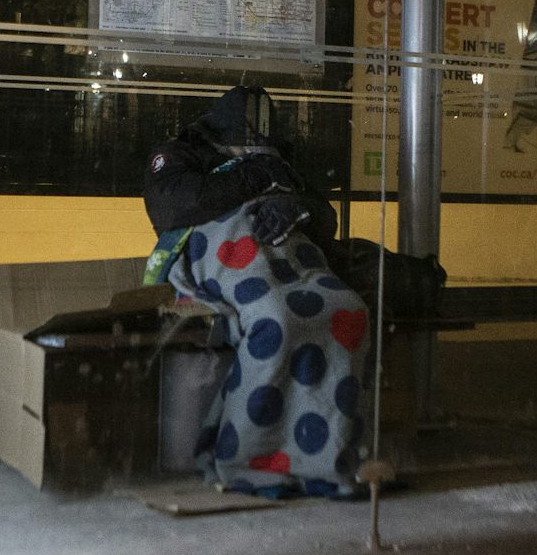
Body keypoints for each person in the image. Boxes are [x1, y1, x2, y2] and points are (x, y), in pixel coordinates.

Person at [142, 85, 369, 498]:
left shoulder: (277, 155)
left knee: (347, 310)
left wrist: (295, 205)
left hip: (292, 259)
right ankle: (248, 456)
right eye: (243, 145)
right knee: (275, 320)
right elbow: (177, 206)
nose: (252, 151)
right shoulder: (179, 153)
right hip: (224, 261)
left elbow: (323, 215)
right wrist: (259, 176)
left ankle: (321, 457)